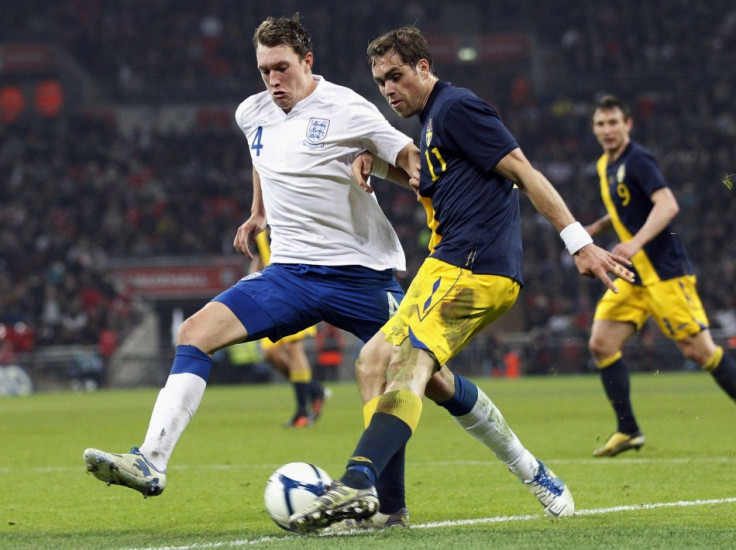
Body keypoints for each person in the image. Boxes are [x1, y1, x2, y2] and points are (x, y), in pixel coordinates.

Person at [82, 15, 584, 528]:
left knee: (422, 380)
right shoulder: (251, 113)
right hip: (292, 274)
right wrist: (258, 212)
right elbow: (263, 154)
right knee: (195, 332)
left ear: (306, 62)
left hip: (362, 275)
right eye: (263, 70)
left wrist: (375, 154)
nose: (272, 80)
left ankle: (488, 480)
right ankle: (151, 459)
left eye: (281, 67)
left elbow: (413, 159)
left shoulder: (347, 107)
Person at [289, 26, 635, 533]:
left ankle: (359, 483)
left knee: (408, 361)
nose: (388, 89)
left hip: (478, 267)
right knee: (372, 364)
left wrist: (577, 242)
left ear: (424, 67)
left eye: (397, 76)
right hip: (443, 265)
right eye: (381, 81)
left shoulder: (458, 109)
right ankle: (403, 505)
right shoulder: (431, 126)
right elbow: (424, 177)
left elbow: (524, 171)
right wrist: (374, 162)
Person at [584, 95, 736, 457]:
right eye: (600, 124)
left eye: (613, 123)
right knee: (601, 343)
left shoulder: (638, 160)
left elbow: (667, 204)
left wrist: (634, 242)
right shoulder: (605, 164)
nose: (607, 130)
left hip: (665, 273)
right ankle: (628, 430)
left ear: (628, 124)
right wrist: (597, 227)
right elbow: (624, 209)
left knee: (700, 351)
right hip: (633, 276)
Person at [250, 230, 326, 427]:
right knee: (269, 353)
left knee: (293, 349)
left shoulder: (293, 223)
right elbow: (258, 261)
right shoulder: (261, 233)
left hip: (296, 294)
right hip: (272, 298)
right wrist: (250, 286)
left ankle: (302, 412)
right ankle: (313, 389)